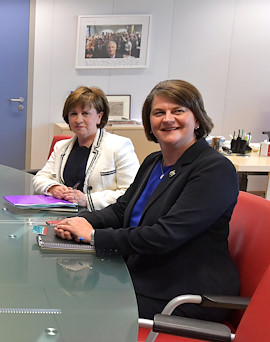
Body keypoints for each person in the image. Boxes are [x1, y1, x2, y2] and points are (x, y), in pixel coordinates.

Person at [54, 80, 240, 322]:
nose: (168, 119)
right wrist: (77, 221)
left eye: (178, 111)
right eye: (159, 113)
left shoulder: (214, 169)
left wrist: (93, 236)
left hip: (184, 291)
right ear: (150, 124)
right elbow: (122, 211)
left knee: (80, 306)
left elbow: (165, 235)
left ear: (197, 120)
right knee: (67, 288)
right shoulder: (154, 161)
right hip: (146, 271)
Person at [32, 86, 139, 211]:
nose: (78, 120)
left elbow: (131, 193)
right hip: (62, 214)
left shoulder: (119, 145)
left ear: (99, 116)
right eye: (73, 114)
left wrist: (87, 200)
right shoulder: (60, 146)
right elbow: (39, 178)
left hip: (102, 218)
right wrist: (53, 188)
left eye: (85, 113)